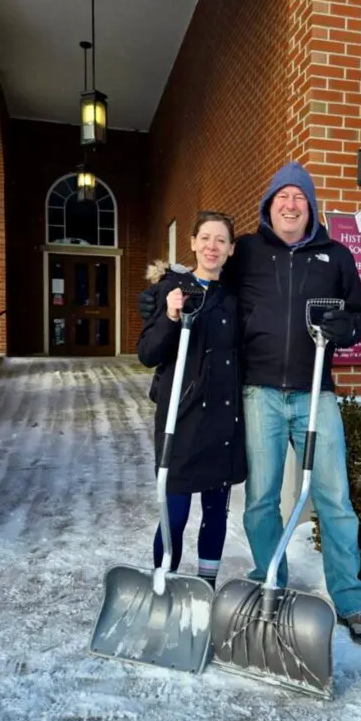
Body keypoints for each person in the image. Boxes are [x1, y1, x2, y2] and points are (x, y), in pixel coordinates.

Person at [140, 164, 361, 644]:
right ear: (268, 206)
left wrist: (346, 330)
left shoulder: (335, 256)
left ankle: (351, 601)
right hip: (259, 393)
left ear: (310, 207)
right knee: (261, 501)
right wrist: (157, 295)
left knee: (334, 497)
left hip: (316, 393)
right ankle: (273, 576)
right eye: (282, 197)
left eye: (299, 197)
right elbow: (201, 271)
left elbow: (358, 313)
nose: (290, 204)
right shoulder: (247, 251)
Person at [137, 211, 246, 589]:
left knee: (215, 513)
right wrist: (169, 315)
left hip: (223, 417)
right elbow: (148, 353)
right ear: (193, 243)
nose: (212, 246)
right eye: (205, 238)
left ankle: (205, 589)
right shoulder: (172, 290)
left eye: (221, 240)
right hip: (180, 419)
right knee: (175, 512)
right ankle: (162, 585)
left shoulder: (235, 299)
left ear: (231, 249)